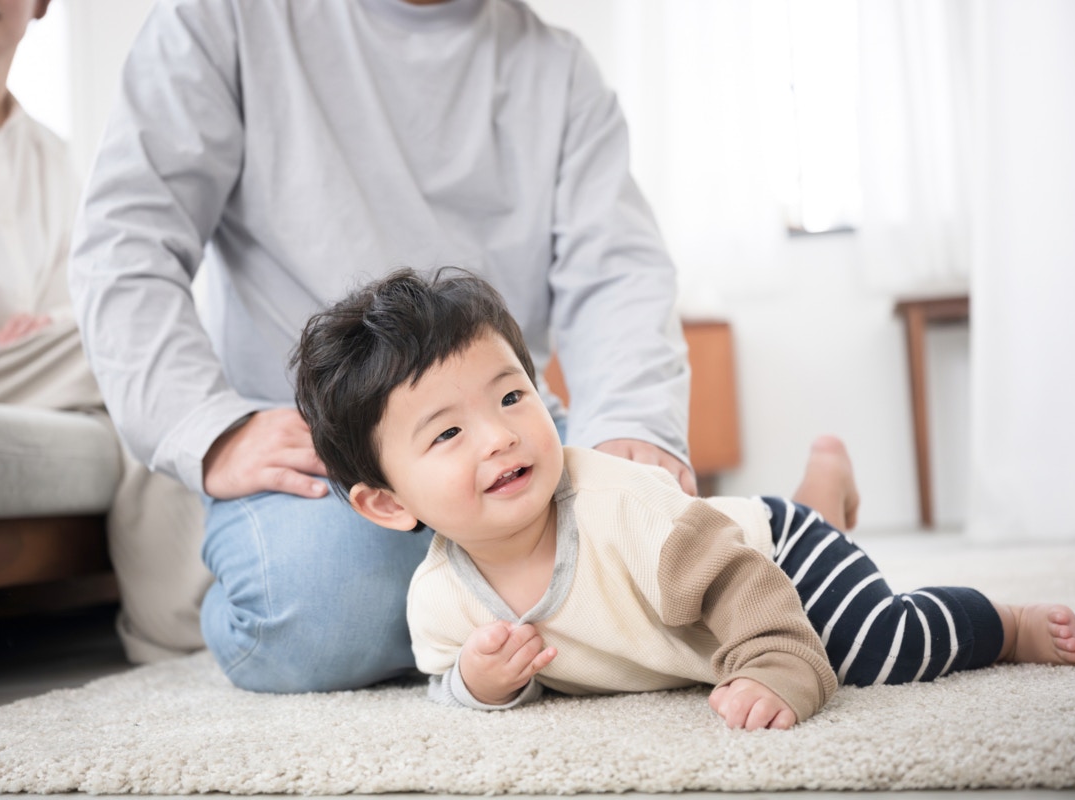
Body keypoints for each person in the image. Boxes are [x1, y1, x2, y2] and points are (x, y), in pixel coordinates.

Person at [69, 0, 694, 693]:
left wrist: (632, 425)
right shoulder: (222, 19)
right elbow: (126, 243)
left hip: (504, 424)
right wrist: (209, 428)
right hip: (317, 450)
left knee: (673, 567)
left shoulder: (559, 69)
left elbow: (617, 272)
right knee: (323, 617)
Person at [292, 267, 1075, 730]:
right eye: (446, 435)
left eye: (511, 398)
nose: (499, 437)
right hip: (719, 583)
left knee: (874, 651)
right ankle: (821, 491)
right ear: (387, 504)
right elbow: (447, 684)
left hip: (766, 557)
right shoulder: (440, 599)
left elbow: (736, 582)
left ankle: (1007, 626)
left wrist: (779, 664)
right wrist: (482, 681)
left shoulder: (616, 503)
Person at [0, 0, 211, 663]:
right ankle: (179, 632)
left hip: (30, 368)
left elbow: (79, 293)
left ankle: (187, 623)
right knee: (148, 345)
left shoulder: (47, 149)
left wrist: (49, 327)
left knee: (138, 373)